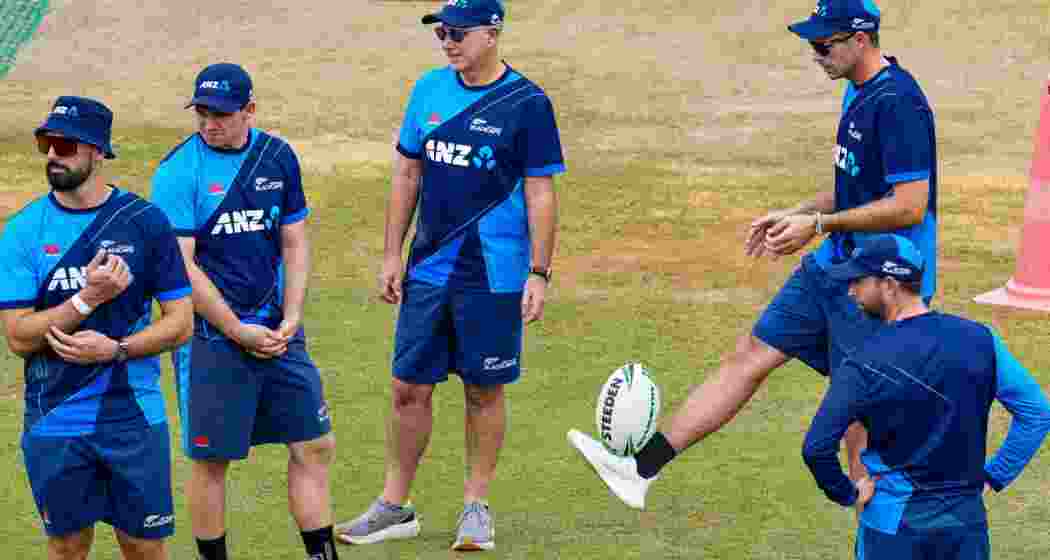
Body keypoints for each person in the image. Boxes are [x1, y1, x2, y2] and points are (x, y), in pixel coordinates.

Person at [569, 0, 939, 510]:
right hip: (835, 264)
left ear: (861, 39)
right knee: (749, 356)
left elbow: (909, 205)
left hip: (880, 287)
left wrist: (820, 224)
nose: (815, 54)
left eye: (823, 44)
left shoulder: (898, 103)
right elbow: (859, 188)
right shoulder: (858, 90)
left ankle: (879, 537)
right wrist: (800, 212)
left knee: (861, 420)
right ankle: (640, 472)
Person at [334, 0, 565, 551]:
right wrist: (392, 255)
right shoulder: (428, 91)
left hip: (496, 272)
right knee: (407, 386)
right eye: (442, 32)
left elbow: (540, 191)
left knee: (484, 389)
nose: (447, 41)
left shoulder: (527, 104)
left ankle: (475, 508)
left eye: (458, 32)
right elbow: (407, 172)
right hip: (429, 268)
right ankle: (395, 507)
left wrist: (540, 272)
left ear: (493, 33)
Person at [150, 63, 338, 560]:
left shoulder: (277, 157)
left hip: (278, 328)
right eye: (203, 113)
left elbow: (294, 241)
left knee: (313, 445)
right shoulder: (176, 173)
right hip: (212, 339)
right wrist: (236, 329)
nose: (210, 123)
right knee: (212, 460)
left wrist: (292, 316)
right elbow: (182, 268)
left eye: (222, 114)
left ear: (249, 110)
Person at [0, 96, 194, 560]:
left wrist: (116, 350)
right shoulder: (23, 231)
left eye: (65, 145)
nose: (52, 154)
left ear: (97, 151)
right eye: (47, 143)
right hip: (54, 417)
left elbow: (181, 323)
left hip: (133, 417)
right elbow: (18, 337)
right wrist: (88, 298)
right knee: (67, 546)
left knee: (144, 546)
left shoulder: (145, 223)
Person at [802, 234, 1050, 559]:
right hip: (966, 527)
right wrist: (995, 474)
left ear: (889, 286)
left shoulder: (865, 358)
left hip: (893, 529)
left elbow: (816, 447)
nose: (851, 291)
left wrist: (848, 492)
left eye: (859, 280)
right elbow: (1037, 413)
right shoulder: (982, 339)